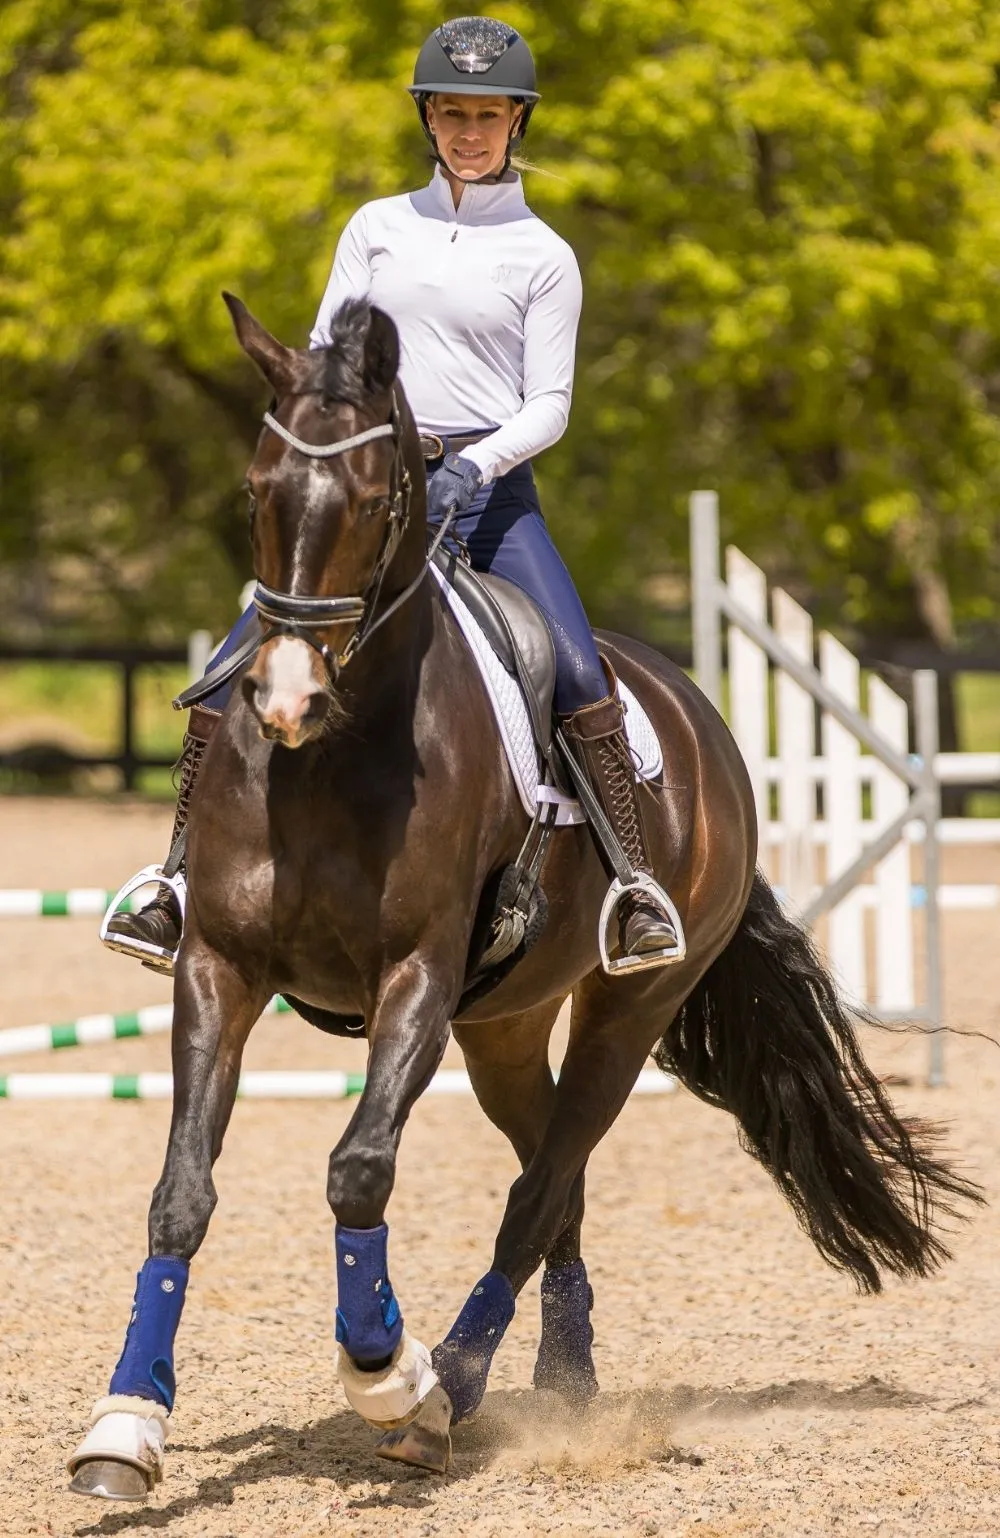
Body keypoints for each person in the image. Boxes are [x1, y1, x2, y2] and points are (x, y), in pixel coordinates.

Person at [104, 15, 678, 974]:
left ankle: (631, 888)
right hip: (369, 489)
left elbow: (551, 404)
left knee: (578, 675)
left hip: (490, 498)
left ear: (516, 124)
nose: (468, 131)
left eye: (487, 115)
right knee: (228, 666)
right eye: (451, 112)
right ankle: (170, 881)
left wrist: (475, 465)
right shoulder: (377, 227)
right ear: (428, 117)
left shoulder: (545, 255)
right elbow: (330, 364)